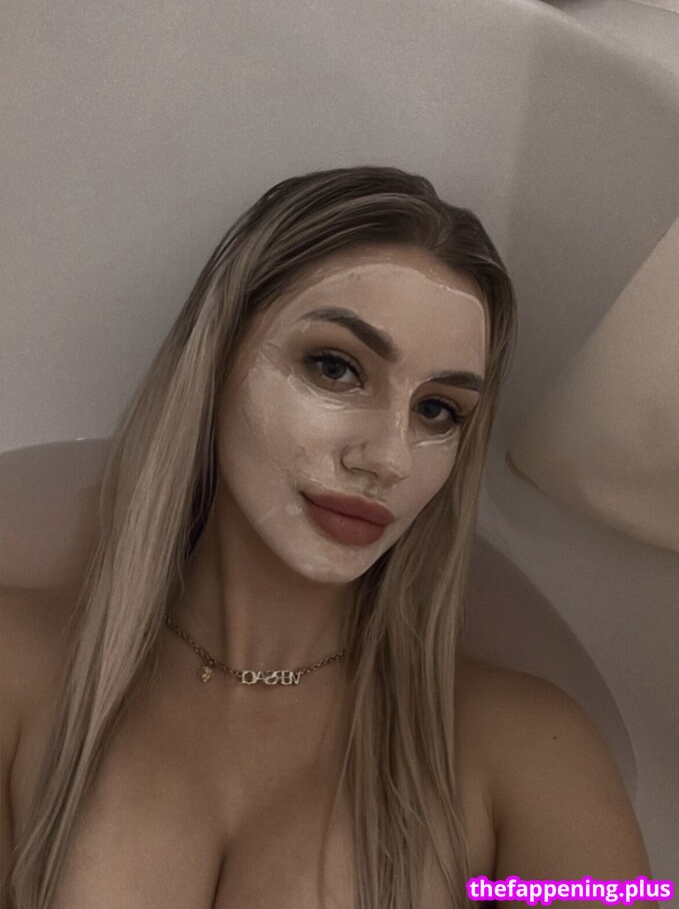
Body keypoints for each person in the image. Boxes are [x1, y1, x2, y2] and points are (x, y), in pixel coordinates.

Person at [1, 166, 652, 909]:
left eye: (437, 410)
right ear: (214, 360)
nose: (388, 458)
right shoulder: (16, 672)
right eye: (336, 368)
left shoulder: (532, 755)